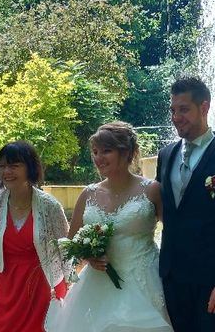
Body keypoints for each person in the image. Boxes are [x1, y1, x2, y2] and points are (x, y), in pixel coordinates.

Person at [45, 121, 172, 332]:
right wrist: (88, 256)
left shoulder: (152, 190)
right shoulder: (88, 194)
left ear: (127, 152)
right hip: (97, 283)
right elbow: (70, 242)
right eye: (95, 152)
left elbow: (175, 234)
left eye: (106, 151)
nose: (98, 158)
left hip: (144, 282)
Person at [156, 77, 215, 332]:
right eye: (173, 110)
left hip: (212, 283)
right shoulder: (166, 155)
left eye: (184, 109)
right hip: (172, 278)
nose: (177, 117)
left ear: (204, 107)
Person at [0, 140, 70, 331]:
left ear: (30, 168)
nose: (7, 172)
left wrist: (68, 289)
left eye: (14, 166)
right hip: (7, 287)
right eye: (3, 166)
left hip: (44, 287)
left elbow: (65, 250)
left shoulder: (50, 206)